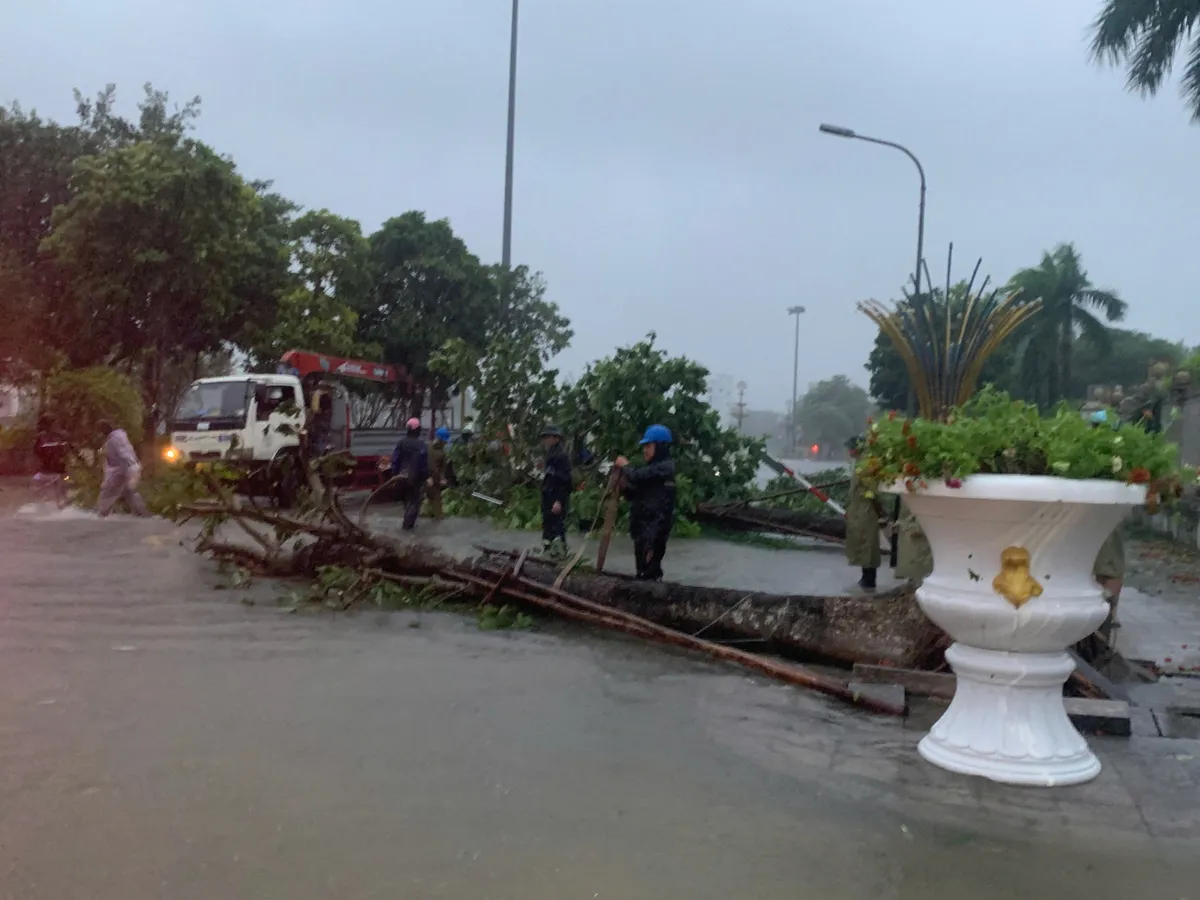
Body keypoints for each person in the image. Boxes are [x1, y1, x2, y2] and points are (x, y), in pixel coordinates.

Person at [615, 424, 677, 581]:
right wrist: (624, 488)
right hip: (642, 529)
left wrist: (625, 466)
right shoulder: (653, 471)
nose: (645, 450)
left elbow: (637, 476)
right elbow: (636, 494)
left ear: (660, 447)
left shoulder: (665, 468)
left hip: (654, 532)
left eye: (648, 446)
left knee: (650, 571)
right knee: (642, 571)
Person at [844, 434, 884, 590]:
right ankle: (865, 577)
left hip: (866, 512)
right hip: (858, 511)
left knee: (868, 546)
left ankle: (869, 579)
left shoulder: (866, 466)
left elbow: (872, 492)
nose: (849, 451)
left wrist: (881, 513)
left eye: (850, 448)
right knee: (861, 544)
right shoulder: (860, 464)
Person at [97, 420, 150, 518]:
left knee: (110, 490)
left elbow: (123, 454)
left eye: (101, 430)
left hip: (126, 467)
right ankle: (141, 513)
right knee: (128, 491)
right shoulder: (120, 436)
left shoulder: (114, 439)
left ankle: (103, 513)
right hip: (129, 466)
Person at [539, 425, 573, 559]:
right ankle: (548, 554)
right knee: (548, 527)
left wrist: (558, 501)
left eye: (548, 437)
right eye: (545, 437)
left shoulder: (560, 456)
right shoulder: (550, 454)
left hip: (556, 499)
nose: (546, 440)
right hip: (548, 497)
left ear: (556, 438)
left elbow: (565, 481)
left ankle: (560, 555)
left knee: (557, 528)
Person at [390, 418, 429, 531]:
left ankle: (407, 527)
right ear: (418, 430)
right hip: (414, 478)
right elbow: (423, 463)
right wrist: (425, 477)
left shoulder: (401, 443)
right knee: (414, 503)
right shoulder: (421, 445)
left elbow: (395, 460)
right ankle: (407, 529)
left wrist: (394, 474)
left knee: (407, 502)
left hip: (401, 478)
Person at [33, 414, 70, 506]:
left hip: (60, 470)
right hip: (46, 470)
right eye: (53, 424)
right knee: (46, 493)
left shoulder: (61, 436)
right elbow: (36, 453)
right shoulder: (41, 438)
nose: (56, 426)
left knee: (62, 488)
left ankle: (62, 501)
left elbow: (67, 450)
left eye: (56, 423)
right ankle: (47, 504)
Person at [426, 427, 451, 520]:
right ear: (439, 439)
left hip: (436, 480)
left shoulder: (442, 452)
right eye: (444, 441)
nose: (446, 443)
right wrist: (427, 477)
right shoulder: (428, 448)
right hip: (427, 478)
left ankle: (436, 518)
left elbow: (443, 468)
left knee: (436, 499)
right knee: (431, 499)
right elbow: (423, 464)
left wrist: (443, 478)